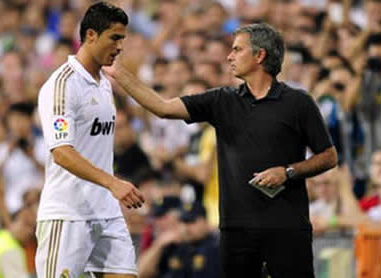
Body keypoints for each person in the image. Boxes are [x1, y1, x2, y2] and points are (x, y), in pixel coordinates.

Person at [106, 23, 337, 278]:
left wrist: (288, 172)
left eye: (237, 50)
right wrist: (120, 73)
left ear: (259, 56)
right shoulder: (221, 100)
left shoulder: (298, 102)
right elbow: (163, 107)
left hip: (287, 227)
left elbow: (328, 156)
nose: (229, 56)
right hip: (236, 231)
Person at [36, 2, 144, 278]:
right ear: (91, 35)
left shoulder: (103, 81)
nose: (120, 46)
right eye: (115, 38)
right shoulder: (62, 84)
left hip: (107, 211)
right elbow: (61, 152)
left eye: (123, 39)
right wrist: (112, 182)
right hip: (68, 213)